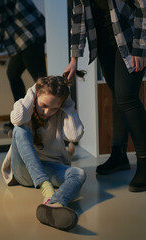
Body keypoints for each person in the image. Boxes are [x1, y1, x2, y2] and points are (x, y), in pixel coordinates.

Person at [64, 0, 146, 192]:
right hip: (103, 39)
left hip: (131, 36)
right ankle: (119, 155)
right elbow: (78, 16)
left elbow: (143, 6)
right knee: (117, 94)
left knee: (127, 97)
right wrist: (74, 59)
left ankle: (144, 160)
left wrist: (140, 47)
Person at [1, 75, 86, 230]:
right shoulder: (24, 107)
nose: (47, 112)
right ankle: (46, 188)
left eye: (54, 108)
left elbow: (75, 135)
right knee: (19, 130)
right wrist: (34, 91)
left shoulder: (62, 112)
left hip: (50, 167)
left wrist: (68, 104)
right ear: (36, 96)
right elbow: (18, 119)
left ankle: (55, 204)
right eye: (43, 105)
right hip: (24, 171)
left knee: (79, 173)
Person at [0, 0, 47, 129]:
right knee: (13, 74)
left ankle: (47, 120)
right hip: (25, 39)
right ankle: (22, 116)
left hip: (29, 37)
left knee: (41, 82)